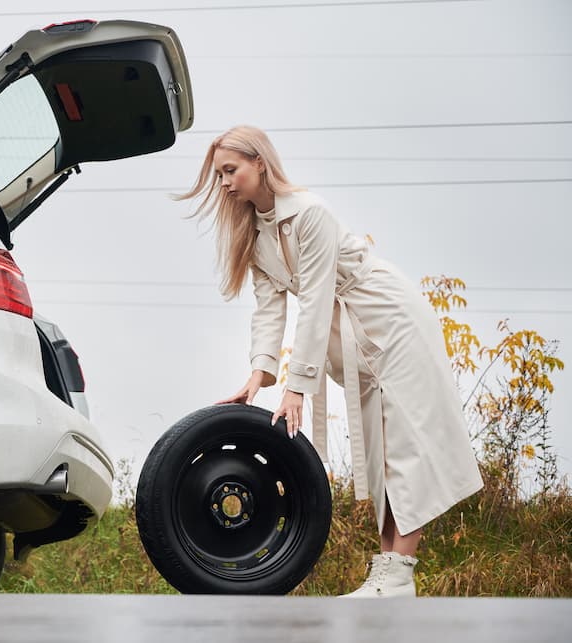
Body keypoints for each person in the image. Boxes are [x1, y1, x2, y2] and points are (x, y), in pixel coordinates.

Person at [177, 125, 483, 597]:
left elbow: (316, 300)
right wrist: (258, 378)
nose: (224, 183)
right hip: (353, 341)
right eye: (218, 175)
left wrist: (297, 386)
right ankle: (392, 574)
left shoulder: (311, 213)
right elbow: (269, 308)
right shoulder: (254, 235)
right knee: (382, 454)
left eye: (230, 171)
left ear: (260, 163)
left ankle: (397, 572)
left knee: (406, 446)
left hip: (389, 319)